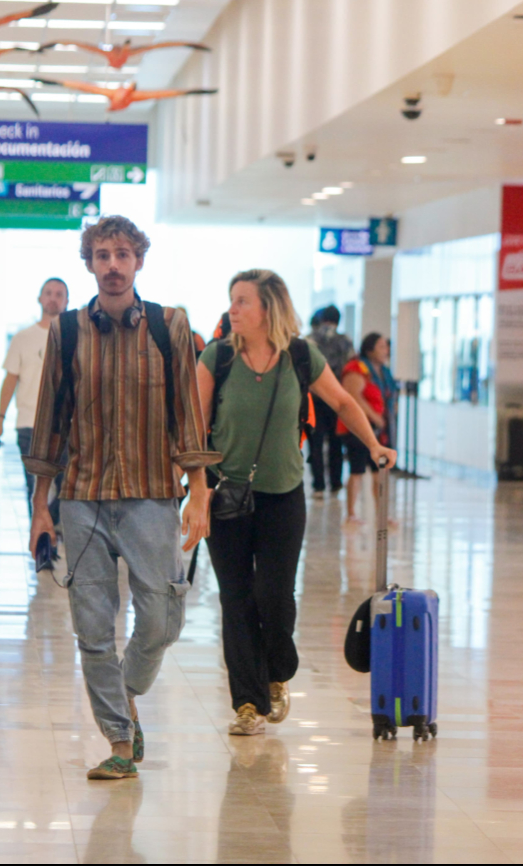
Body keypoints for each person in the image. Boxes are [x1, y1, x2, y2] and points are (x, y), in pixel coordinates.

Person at [25, 215, 216, 781]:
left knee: (161, 616)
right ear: (89, 262)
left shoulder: (169, 326)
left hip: (153, 494)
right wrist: (42, 507)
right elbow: (49, 423)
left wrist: (198, 492)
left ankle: (124, 693)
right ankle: (118, 737)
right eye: (102, 254)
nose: (112, 264)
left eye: (123, 254)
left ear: (138, 262)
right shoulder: (66, 332)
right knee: (92, 627)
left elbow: (188, 413)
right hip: (82, 497)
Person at [198, 270, 396, 736]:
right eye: (232, 300)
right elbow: (192, 424)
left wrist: (373, 445)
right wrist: (191, 488)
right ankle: (248, 703)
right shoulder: (217, 357)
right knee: (236, 597)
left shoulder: (300, 356)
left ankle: (275, 672)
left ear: (268, 308)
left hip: (282, 495)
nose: (233, 309)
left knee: (273, 594)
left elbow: (345, 403)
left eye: (243, 301)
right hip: (225, 493)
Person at [0, 277, 69, 521]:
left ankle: (52, 528)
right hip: (29, 424)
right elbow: (10, 381)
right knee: (33, 487)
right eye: (48, 293)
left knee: (65, 485)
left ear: (66, 302)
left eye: (59, 294)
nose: (53, 298)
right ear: (39, 298)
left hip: (65, 425)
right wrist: (0, 421)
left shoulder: (74, 338)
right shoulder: (23, 338)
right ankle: (40, 539)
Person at [339, 332, 397, 525]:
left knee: (379, 471)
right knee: (357, 471)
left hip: (381, 428)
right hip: (359, 428)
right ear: (369, 349)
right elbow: (353, 397)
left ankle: (382, 513)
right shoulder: (357, 368)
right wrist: (375, 418)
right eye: (381, 346)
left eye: (386, 346)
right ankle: (351, 513)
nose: (386, 350)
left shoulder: (384, 371)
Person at [306, 305, 355, 497]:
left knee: (315, 442)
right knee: (336, 442)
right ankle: (335, 483)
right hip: (337, 397)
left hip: (315, 398)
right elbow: (351, 365)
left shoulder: (310, 339)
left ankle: (318, 485)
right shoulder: (345, 341)